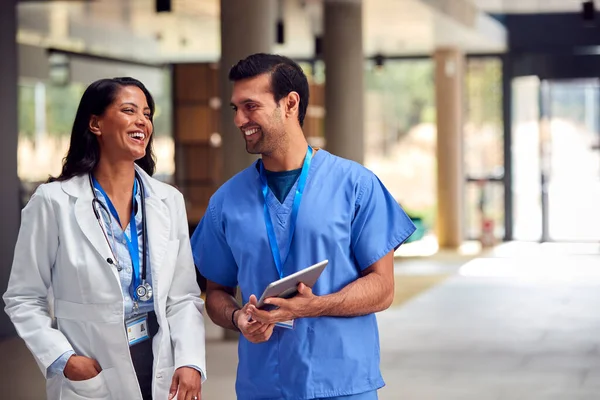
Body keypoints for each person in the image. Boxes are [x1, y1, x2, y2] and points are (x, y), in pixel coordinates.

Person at [191, 54, 416, 400]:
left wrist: (314, 305)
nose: (239, 119)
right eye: (235, 108)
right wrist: (237, 318)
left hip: (343, 385)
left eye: (250, 106)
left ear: (290, 104)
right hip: (262, 386)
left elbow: (383, 288)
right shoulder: (227, 200)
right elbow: (215, 293)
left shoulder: (356, 185)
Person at [4, 77, 206, 400]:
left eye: (147, 113)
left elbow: (182, 297)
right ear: (95, 123)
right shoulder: (53, 202)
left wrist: (191, 360)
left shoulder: (168, 201)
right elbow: (22, 297)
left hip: (160, 362)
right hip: (92, 369)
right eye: (129, 110)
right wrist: (64, 360)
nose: (143, 120)